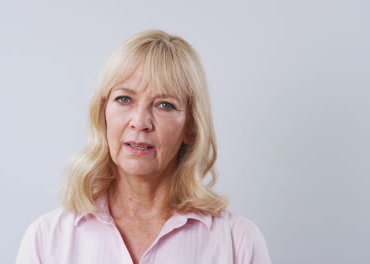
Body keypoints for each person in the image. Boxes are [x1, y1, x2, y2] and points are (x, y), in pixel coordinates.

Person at [15, 30, 271, 264]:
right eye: (124, 99)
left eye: (164, 105)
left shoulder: (238, 242)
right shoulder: (46, 240)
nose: (140, 123)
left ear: (191, 129)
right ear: (102, 114)